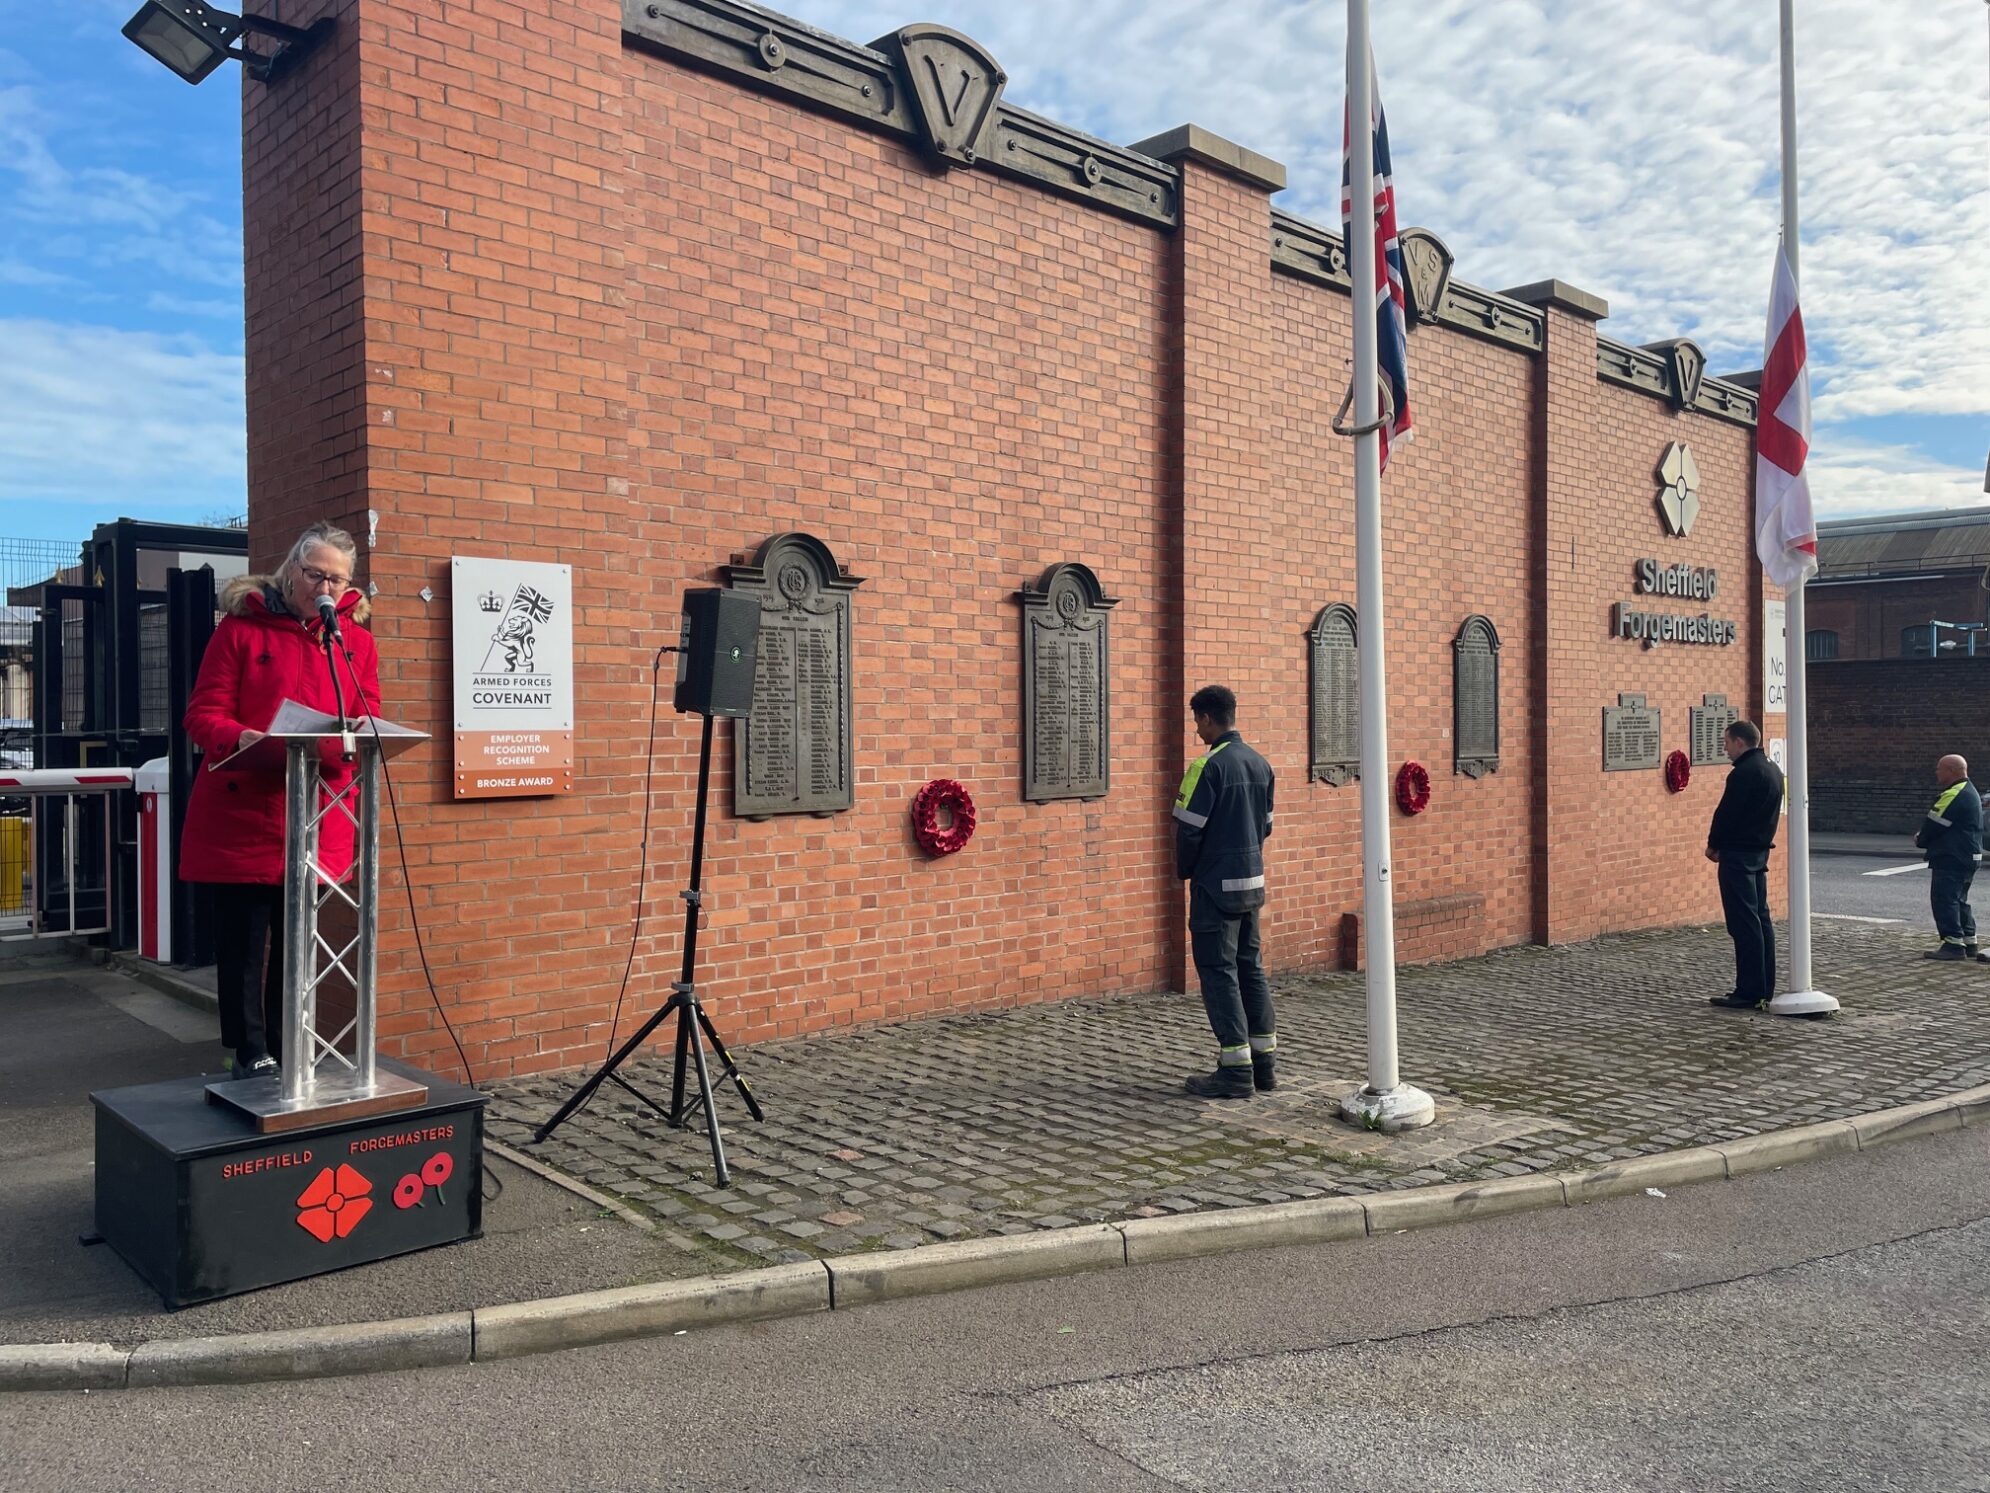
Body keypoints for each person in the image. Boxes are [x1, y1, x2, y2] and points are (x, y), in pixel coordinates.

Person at [179, 522, 382, 1078]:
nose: (326, 587)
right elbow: (202, 714)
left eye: (338, 579)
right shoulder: (242, 631)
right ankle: (249, 1050)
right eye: (316, 573)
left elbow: (365, 714)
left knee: (299, 942)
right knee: (244, 945)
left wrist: (360, 736)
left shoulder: (354, 642)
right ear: (291, 570)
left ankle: (291, 1040)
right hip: (246, 810)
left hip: (316, 812)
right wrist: (237, 737)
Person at [1173, 685, 1277, 1098]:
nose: (1196, 729)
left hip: (1215, 888)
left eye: (1197, 721)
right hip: (1251, 885)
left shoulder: (1207, 767)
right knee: (1251, 969)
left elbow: (1188, 831)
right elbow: (1265, 826)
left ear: (1207, 719)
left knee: (1219, 973)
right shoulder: (1260, 764)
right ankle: (1264, 1068)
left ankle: (1234, 1073)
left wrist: (1186, 872)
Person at [1705, 719, 1786, 1010]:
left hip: (1737, 855)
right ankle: (1764, 986)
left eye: (1727, 742)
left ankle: (1748, 991)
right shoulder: (1773, 770)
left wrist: (1714, 844)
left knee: (1743, 923)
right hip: (1759, 852)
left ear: (1740, 742)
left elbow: (1727, 814)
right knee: (1761, 920)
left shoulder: (1743, 774)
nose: (1725, 749)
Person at [1914, 753, 1983, 962]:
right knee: (1959, 899)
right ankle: (1969, 942)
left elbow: (1934, 823)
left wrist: (1921, 839)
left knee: (1945, 898)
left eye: (1939, 769)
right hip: (1968, 854)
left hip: (1952, 855)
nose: (1937, 773)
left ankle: (1953, 944)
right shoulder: (1970, 791)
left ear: (1952, 770)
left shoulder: (1954, 793)